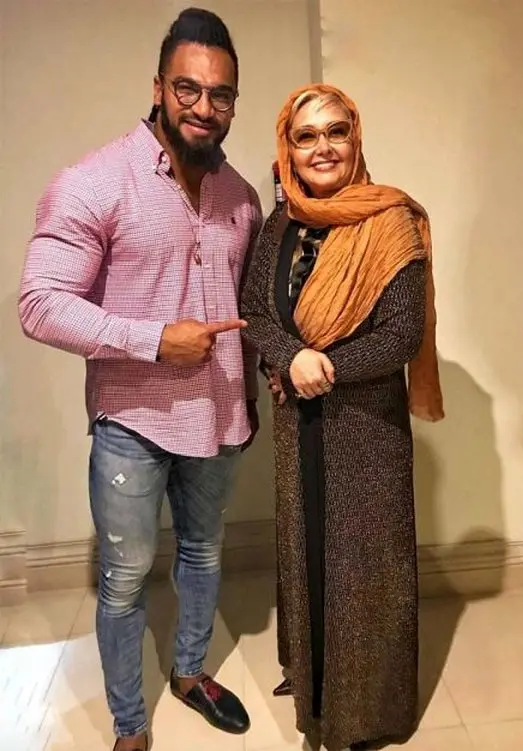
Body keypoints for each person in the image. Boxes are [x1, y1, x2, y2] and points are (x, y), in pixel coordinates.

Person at [19, 8, 261, 751]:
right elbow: (39, 303)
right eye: (188, 88)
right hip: (133, 424)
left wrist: (256, 393)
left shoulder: (242, 197)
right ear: (158, 87)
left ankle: (189, 673)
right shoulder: (93, 182)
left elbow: (251, 308)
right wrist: (154, 341)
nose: (204, 106)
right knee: (124, 580)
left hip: (218, 419)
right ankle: (130, 724)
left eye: (221, 94)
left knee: (204, 550)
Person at [240, 84, 444, 751]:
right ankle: (311, 684)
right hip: (298, 426)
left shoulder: (391, 223)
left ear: (356, 139)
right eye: (306, 136)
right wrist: (289, 356)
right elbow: (256, 312)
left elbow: (402, 335)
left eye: (336, 131)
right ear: (289, 149)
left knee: (365, 573)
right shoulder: (281, 225)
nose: (322, 147)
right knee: (306, 556)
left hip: (366, 430)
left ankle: (365, 716)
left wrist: (317, 367)